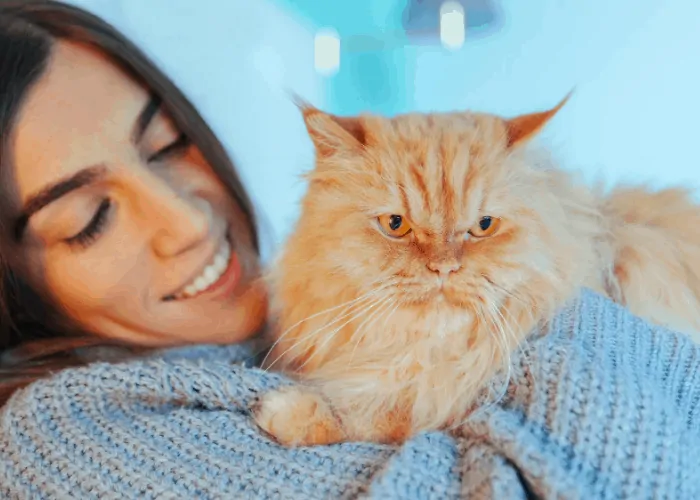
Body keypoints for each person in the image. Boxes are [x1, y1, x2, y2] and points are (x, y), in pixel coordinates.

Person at [1, 2, 699, 499]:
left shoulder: (271, 319)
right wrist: (589, 281)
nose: (185, 221)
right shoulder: (68, 433)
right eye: (90, 218)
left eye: (166, 146)